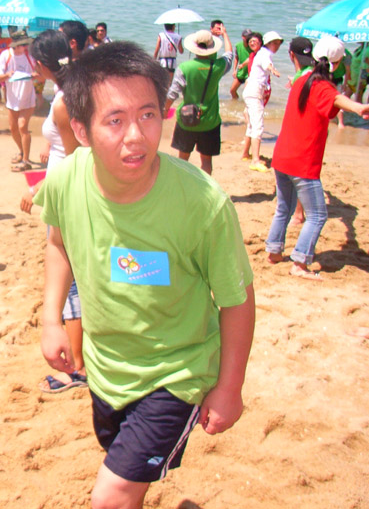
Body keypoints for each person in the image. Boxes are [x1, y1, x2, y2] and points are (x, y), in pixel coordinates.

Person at [34, 41, 255, 509]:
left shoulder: (203, 204)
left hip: (177, 373)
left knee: (110, 496)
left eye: (148, 115)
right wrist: (50, 318)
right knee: (120, 472)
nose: (136, 136)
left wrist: (229, 386)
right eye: (114, 120)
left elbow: (236, 298)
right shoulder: (67, 179)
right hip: (106, 370)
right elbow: (58, 243)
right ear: (82, 130)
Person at [265, 36, 369, 280]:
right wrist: (358, 107)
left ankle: (273, 252)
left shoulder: (303, 77)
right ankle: (299, 263)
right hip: (302, 162)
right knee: (318, 215)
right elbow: (335, 99)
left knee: (284, 208)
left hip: (282, 156)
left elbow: (330, 100)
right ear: (339, 63)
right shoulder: (321, 84)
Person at [21, 29, 86, 393]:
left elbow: (76, 159)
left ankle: (76, 369)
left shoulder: (63, 101)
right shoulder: (73, 89)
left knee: (69, 281)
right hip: (65, 189)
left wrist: (39, 189)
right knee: (74, 276)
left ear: (43, 64)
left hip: (66, 195)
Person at [165, 26, 233, 175]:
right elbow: (229, 55)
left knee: (183, 159)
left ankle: (183, 185)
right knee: (206, 161)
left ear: (194, 47)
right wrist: (225, 35)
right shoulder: (218, 66)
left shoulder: (185, 67)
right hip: (210, 121)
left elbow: (173, 93)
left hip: (186, 119)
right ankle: (204, 186)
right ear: (212, 48)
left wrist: (165, 110)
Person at [241, 30, 283, 172]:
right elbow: (266, 64)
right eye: (275, 43)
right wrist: (273, 69)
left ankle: (245, 154)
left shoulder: (261, 53)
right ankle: (255, 160)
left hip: (252, 91)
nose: (277, 46)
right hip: (254, 92)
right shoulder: (264, 54)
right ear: (268, 43)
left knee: (252, 125)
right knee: (258, 127)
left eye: (279, 43)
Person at [0, 29, 36, 171]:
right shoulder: (6, 55)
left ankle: (26, 161)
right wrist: (8, 74)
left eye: (26, 44)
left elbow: (40, 73)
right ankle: (22, 151)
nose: (26, 46)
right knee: (13, 129)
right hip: (12, 99)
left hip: (28, 97)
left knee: (22, 126)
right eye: (24, 44)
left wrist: (33, 75)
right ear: (17, 45)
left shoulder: (30, 56)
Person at [286, 37, 314, 226]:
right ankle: (297, 212)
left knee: (300, 173)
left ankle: (298, 214)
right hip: (307, 130)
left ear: (291, 55)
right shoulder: (309, 73)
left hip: (303, 131)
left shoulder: (304, 76)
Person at [230, 29, 252, 99]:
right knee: (232, 90)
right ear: (243, 37)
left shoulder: (253, 46)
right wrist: (234, 70)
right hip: (241, 71)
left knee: (246, 93)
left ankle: (246, 105)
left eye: (250, 37)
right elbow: (236, 58)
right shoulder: (238, 45)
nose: (249, 39)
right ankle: (235, 103)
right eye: (247, 37)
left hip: (250, 73)